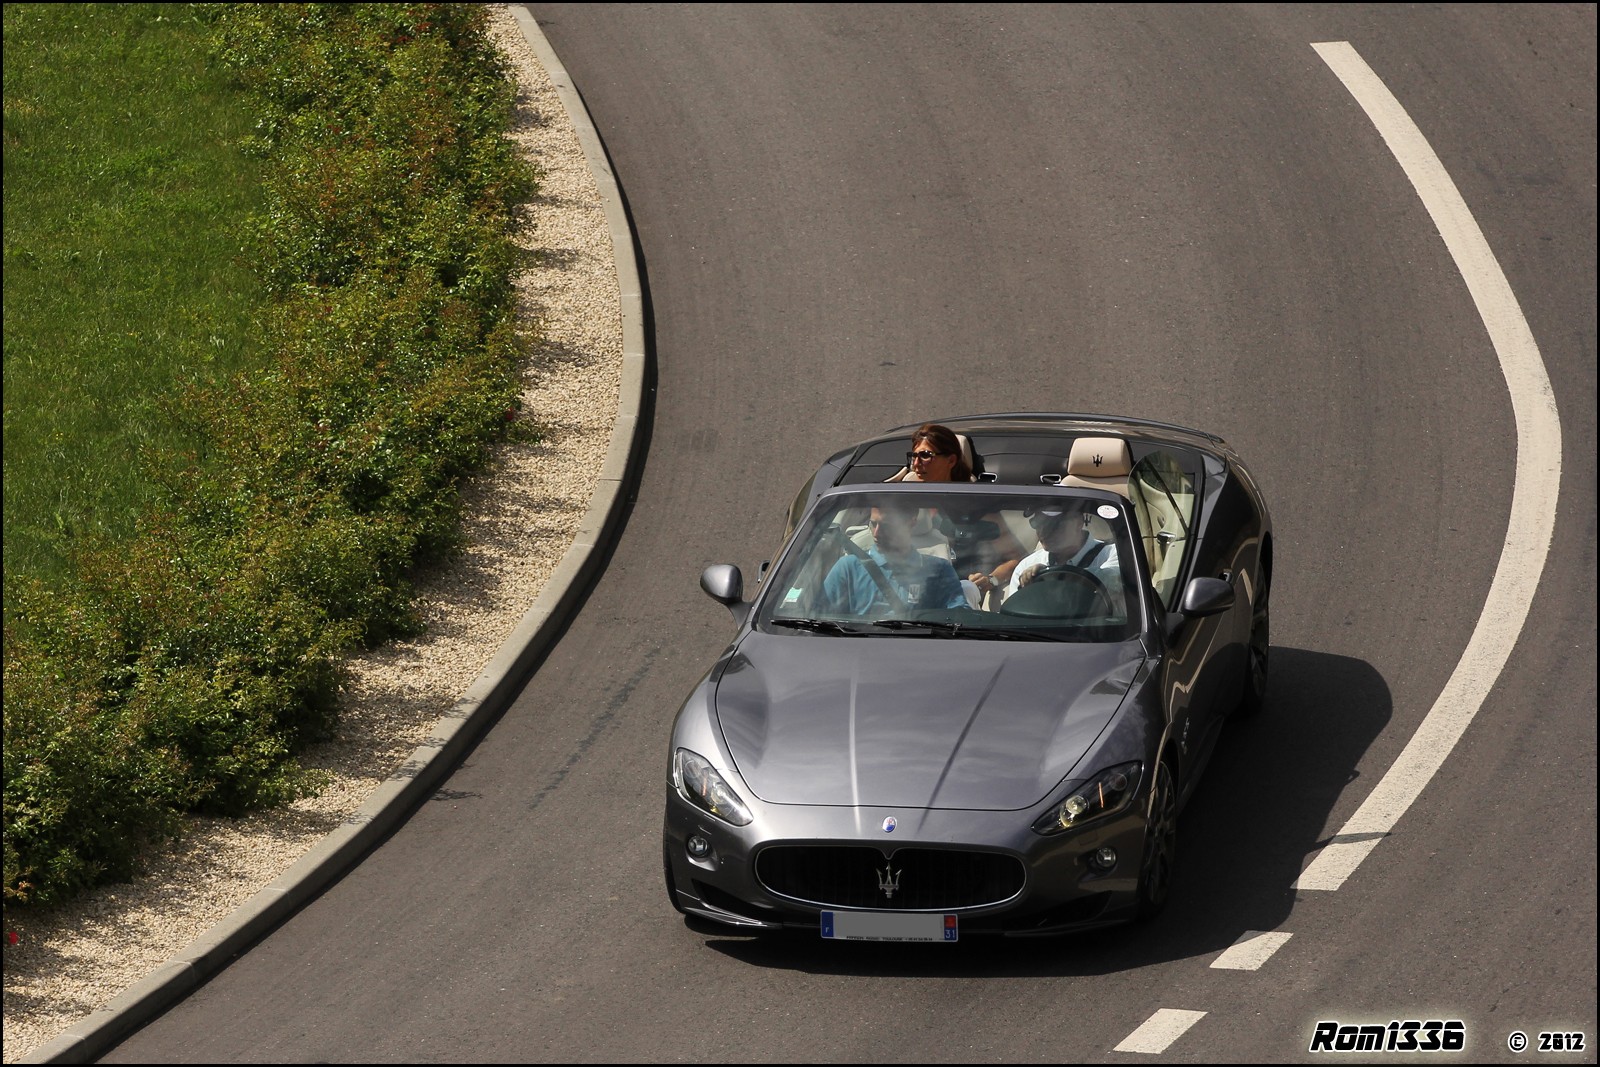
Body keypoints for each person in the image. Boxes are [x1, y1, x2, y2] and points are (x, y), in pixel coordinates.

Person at [901, 423, 1022, 603]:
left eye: (926, 456)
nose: (916, 464)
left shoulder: (976, 507)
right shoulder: (903, 502)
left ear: (951, 460)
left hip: (959, 598)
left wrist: (990, 579)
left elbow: (1016, 559)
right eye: (914, 456)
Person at [821, 503, 968, 615]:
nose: (876, 534)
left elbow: (959, 618)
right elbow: (818, 619)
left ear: (911, 522)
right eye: (873, 524)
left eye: (886, 526)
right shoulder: (848, 568)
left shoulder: (939, 570)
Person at [1004, 501, 1122, 606]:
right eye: (1037, 523)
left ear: (1078, 523)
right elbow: (1014, 615)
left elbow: (1114, 580)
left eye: (1053, 524)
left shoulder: (1114, 554)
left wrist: (1051, 576)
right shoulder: (1026, 565)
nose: (1043, 531)